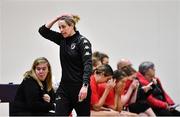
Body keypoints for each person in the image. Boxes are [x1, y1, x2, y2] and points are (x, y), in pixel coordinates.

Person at [38, 13, 92, 116]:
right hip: (64, 88)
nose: (61, 30)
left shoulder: (82, 42)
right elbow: (43, 31)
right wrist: (57, 18)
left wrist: (85, 85)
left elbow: (88, 65)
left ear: (72, 25)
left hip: (80, 87)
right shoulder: (62, 39)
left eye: (63, 27)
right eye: (59, 27)